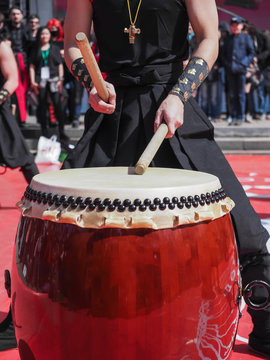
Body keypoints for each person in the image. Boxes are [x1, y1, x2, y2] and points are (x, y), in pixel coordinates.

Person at [63, 1, 270, 356]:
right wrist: (91, 82)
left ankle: (265, 317)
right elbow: (72, 43)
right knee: (61, 218)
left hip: (172, 101)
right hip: (113, 109)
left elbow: (208, 38)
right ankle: (36, 309)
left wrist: (179, 95)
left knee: (242, 224)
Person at [29, 26, 69, 142]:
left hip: (54, 79)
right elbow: (32, 66)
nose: (44, 36)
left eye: (46, 33)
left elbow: (60, 64)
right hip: (40, 80)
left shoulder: (55, 48)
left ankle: (61, 132)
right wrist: (32, 81)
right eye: (42, 34)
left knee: (58, 105)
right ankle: (44, 132)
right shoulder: (35, 49)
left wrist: (61, 79)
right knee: (42, 106)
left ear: (50, 35)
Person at [221, 17, 256, 126]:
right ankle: (233, 116)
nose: (235, 27)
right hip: (230, 70)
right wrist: (227, 64)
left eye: (237, 25)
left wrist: (243, 63)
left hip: (241, 70)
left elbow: (251, 53)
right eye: (233, 25)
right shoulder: (228, 38)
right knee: (232, 94)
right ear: (231, 27)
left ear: (241, 26)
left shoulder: (246, 38)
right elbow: (222, 54)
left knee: (241, 94)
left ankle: (240, 116)